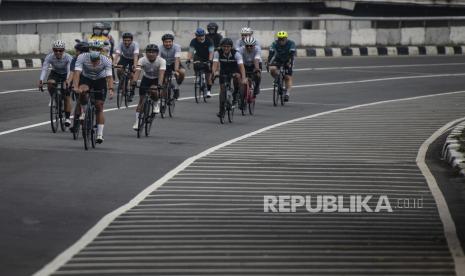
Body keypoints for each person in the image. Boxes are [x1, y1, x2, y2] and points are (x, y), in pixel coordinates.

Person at [73, 40, 114, 143]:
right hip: (86, 78)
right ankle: (84, 110)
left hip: (100, 80)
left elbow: (109, 77)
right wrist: (75, 87)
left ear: (101, 50)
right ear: (89, 49)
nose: (95, 51)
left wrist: (111, 89)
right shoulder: (82, 57)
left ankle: (99, 134)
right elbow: (77, 73)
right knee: (82, 91)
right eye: (93, 49)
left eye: (97, 49)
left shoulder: (106, 60)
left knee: (99, 106)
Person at [38, 40, 74, 127]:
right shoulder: (49, 57)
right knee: (50, 83)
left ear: (64, 50)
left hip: (66, 74)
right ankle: (54, 97)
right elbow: (45, 68)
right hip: (55, 73)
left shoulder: (68, 57)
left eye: (60, 50)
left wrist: (67, 81)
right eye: (55, 50)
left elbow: (70, 70)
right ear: (53, 50)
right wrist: (41, 80)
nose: (58, 52)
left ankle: (68, 118)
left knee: (66, 95)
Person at [131, 44, 166, 131]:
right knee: (141, 101)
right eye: (149, 52)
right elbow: (138, 71)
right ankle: (137, 122)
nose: (151, 54)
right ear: (146, 53)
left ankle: (155, 103)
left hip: (157, 79)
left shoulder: (161, 61)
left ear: (157, 53)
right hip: (146, 79)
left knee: (154, 90)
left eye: (153, 52)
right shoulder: (142, 60)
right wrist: (134, 81)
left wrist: (160, 85)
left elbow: (161, 74)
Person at [211, 38, 247, 118]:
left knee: (239, 80)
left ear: (231, 47)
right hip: (224, 71)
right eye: (224, 46)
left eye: (228, 46)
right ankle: (221, 110)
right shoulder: (217, 52)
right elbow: (215, 64)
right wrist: (215, 73)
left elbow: (241, 67)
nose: (226, 48)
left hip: (235, 70)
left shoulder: (236, 54)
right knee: (222, 90)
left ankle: (241, 98)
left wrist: (243, 77)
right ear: (221, 47)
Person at [267, 31, 296, 102]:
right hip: (278, 59)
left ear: (286, 38)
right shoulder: (274, 43)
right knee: (272, 69)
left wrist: (290, 63)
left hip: (288, 59)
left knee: (287, 77)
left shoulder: (291, 43)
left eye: (283, 39)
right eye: (279, 39)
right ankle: (277, 79)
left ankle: (287, 94)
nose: (281, 41)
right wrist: (268, 62)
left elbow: (292, 55)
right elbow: (271, 53)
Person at [186, 27, 214, 98]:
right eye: (199, 36)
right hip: (199, 56)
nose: (201, 37)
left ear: (204, 35)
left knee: (208, 76)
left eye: (202, 35)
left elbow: (211, 52)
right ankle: (197, 75)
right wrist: (188, 60)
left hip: (208, 57)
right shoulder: (193, 41)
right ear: (196, 35)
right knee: (196, 64)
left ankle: (208, 91)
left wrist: (210, 60)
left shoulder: (209, 40)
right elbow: (191, 51)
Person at [113, 32, 139, 101]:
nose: (126, 42)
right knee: (118, 69)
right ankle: (122, 82)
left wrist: (135, 65)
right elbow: (117, 54)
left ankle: (132, 91)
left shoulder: (135, 44)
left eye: (128, 40)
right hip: (124, 58)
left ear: (131, 40)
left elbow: (136, 55)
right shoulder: (121, 44)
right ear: (123, 40)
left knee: (132, 75)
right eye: (125, 40)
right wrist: (114, 63)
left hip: (133, 58)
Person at [159, 33, 185, 99]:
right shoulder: (159, 48)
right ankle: (164, 100)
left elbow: (177, 59)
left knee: (182, 72)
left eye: (170, 42)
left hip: (174, 63)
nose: (168, 44)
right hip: (164, 64)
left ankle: (177, 87)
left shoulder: (177, 47)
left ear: (172, 42)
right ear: (163, 42)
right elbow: (158, 59)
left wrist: (176, 71)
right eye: (166, 42)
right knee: (164, 82)